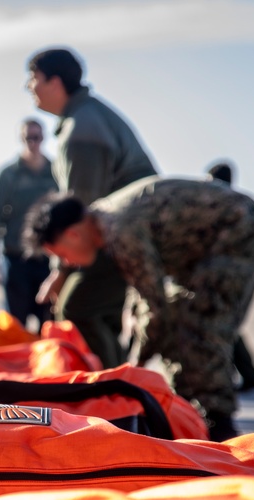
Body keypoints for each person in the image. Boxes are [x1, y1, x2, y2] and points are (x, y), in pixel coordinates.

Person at [23, 177, 254, 442]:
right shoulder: (105, 220)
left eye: (62, 254)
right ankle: (191, 412)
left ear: (72, 234)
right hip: (208, 248)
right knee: (179, 318)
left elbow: (155, 309)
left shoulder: (120, 230)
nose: (67, 263)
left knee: (201, 323)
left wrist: (136, 364)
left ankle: (219, 427)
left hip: (241, 234)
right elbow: (145, 300)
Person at [26, 47, 158, 367]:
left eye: (33, 79)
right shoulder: (87, 116)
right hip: (124, 235)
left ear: (54, 83)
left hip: (117, 237)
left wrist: (59, 273)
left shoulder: (81, 130)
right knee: (104, 314)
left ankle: (112, 391)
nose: (30, 88)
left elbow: (78, 218)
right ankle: (120, 392)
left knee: (76, 306)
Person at [0, 118, 57, 332]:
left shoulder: (55, 172)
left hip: (48, 260)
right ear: (21, 139)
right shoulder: (8, 175)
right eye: (28, 138)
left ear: (44, 139)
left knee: (49, 322)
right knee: (16, 325)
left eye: (38, 138)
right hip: (16, 258)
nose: (33, 143)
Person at [207, 159, 254, 393]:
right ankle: (248, 374)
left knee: (220, 322)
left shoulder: (215, 203)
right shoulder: (243, 203)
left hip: (225, 273)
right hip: (246, 271)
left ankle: (230, 375)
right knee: (229, 323)